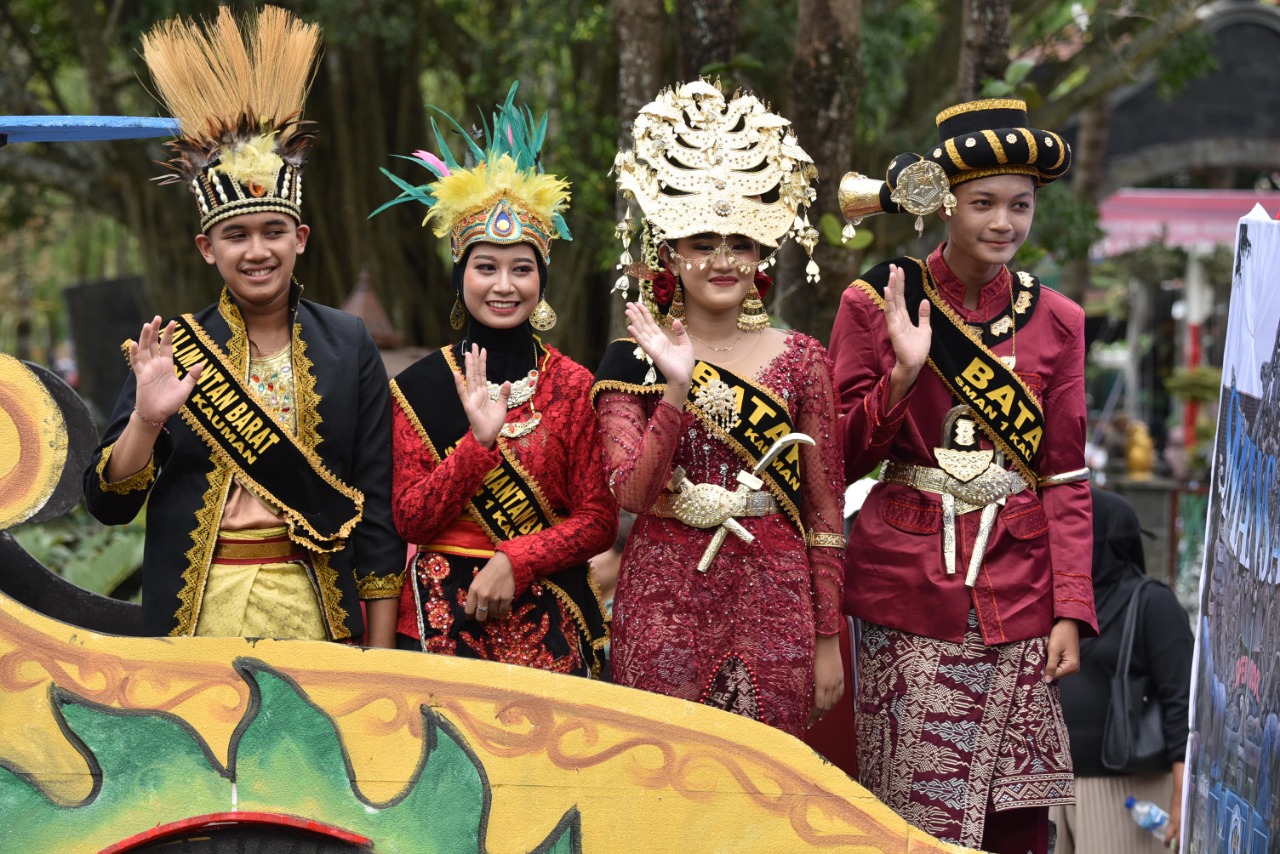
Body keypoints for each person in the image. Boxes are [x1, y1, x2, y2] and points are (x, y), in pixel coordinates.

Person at [84, 7, 403, 644]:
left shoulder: (347, 343)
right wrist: (148, 419)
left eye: (272, 231)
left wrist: (383, 655)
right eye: (236, 235)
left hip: (319, 614)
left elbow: (376, 508)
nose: (256, 250)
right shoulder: (171, 348)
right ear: (208, 248)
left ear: (301, 238)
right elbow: (109, 506)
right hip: (195, 618)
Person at [830, 98, 1097, 852]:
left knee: (1017, 815)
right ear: (944, 203)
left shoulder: (1061, 321)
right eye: (983, 203)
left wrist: (1071, 607)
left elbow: (1068, 476)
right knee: (911, 816)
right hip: (906, 584)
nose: (1004, 222)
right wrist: (904, 376)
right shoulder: (872, 300)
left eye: (1021, 205)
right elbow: (839, 458)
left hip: (1021, 587)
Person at [592, 80, 846, 737]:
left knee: (767, 799)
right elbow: (632, 493)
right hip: (662, 599)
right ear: (672, 251)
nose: (723, 259)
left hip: (777, 596)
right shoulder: (633, 359)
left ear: (764, 252)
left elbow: (823, 512)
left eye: (741, 242)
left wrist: (825, 641)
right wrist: (676, 389)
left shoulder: (803, 358)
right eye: (704, 241)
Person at [374, 84, 615, 676]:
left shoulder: (574, 384)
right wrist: (475, 449)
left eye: (521, 269)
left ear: (542, 282)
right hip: (438, 620)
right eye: (485, 267)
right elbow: (409, 519)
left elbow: (599, 520)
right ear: (461, 278)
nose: (503, 285)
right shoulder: (420, 386)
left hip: (549, 611)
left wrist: (517, 558)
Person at [1051, 487, 1192, 852]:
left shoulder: (1152, 603)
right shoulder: (1056, 605)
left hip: (1127, 791)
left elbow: (1182, 702)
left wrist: (1181, 797)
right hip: (1052, 785)